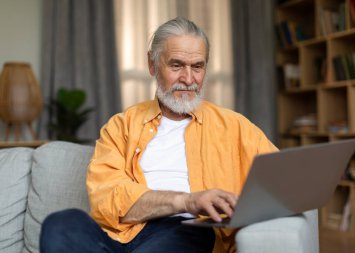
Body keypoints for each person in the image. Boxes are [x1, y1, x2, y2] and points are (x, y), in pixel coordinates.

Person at [40, 17, 277, 253]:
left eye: (197, 66)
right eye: (176, 65)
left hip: (185, 231)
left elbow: (280, 182)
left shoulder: (235, 127)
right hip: (118, 236)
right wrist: (187, 201)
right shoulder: (120, 127)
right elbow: (106, 200)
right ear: (152, 64)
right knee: (61, 223)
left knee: (194, 233)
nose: (188, 78)